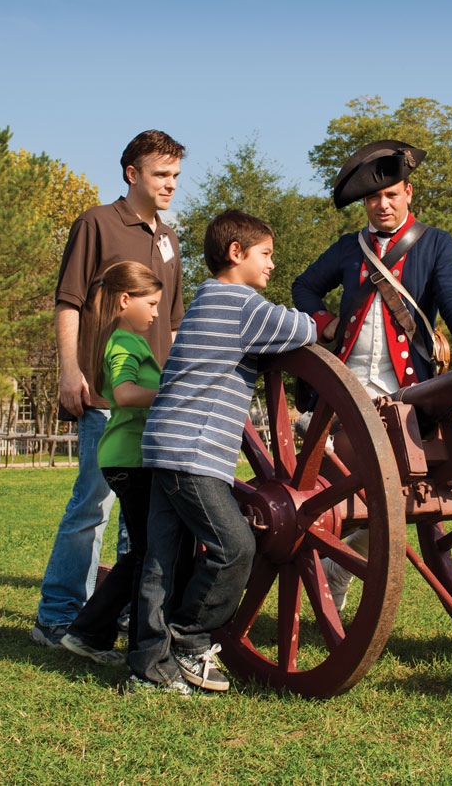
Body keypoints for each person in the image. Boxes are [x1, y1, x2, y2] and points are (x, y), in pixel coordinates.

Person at [292, 140, 452, 609]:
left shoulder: (435, 243)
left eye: (391, 195)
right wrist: (323, 323)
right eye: (373, 199)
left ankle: (340, 568)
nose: (382, 206)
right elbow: (303, 285)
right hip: (345, 388)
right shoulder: (350, 249)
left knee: (388, 493)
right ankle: (341, 559)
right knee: (363, 482)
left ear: (409, 193)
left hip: (403, 392)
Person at [131, 210, 317, 694]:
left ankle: (149, 670)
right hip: (194, 451)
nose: (272, 265)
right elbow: (302, 329)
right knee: (236, 547)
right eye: (266, 254)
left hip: (165, 443)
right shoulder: (242, 304)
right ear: (237, 254)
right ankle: (191, 641)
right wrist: (322, 319)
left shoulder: (204, 301)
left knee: (160, 559)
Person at [31, 130, 186, 648]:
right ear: (132, 174)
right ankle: (56, 614)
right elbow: (69, 300)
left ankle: (116, 613)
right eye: (161, 174)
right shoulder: (96, 222)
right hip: (104, 394)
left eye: (175, 176)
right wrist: (70, 370)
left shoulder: (170, 238)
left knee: (137, 517)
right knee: (92, 504)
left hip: (155, 402)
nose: (170, 185)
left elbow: (176, 322)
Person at [58, 261, 164, 666]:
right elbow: (123, 394)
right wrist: (171, 391)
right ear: (125, 300)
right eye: (151, 303)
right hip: (128, 460)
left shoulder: (128, 340)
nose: (156, 313)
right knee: (145, 551)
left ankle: (92, 632)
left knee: (142, 550)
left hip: (130, 458)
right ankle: (90, 632)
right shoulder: (124, 342)